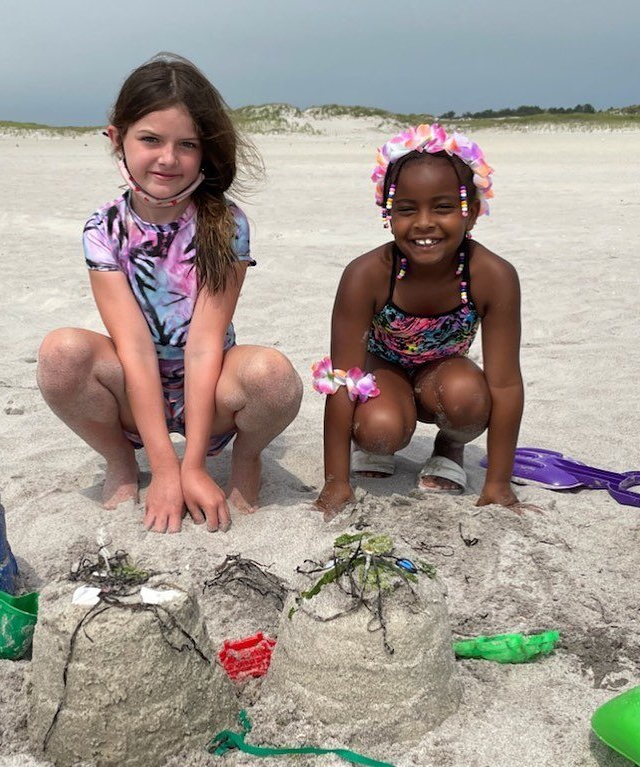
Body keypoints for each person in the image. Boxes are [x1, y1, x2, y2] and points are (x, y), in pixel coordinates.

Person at [37, 54, 302, 534]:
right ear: (117, 138)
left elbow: (203, 344)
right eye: (150, 139)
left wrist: (193, 464)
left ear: (206, 152)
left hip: (214, 379)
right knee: (60, 354)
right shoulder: (104, 229)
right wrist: (164, 468)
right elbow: (134, 346)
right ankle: (121, 458)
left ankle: (245, 457)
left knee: (274, 378)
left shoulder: (227, 224)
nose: (167, 158)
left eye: (187, 145)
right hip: (133, 383)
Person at [314, 123, 522, 518]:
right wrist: (336, 482)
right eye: (406, 209)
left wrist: (498, 482)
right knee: (381, 431)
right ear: (387, 213)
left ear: (472, 212)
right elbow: (342, 379)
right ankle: (376, 445)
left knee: (468, 397)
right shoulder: (367, 275)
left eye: (443, 207)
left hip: (444, 373)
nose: (424, 223)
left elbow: (506, 382)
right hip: (383, 369)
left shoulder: (492, 276)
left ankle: (449, 446)